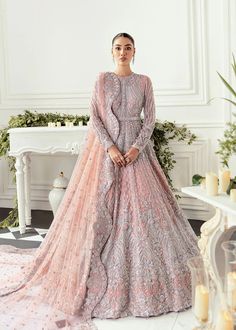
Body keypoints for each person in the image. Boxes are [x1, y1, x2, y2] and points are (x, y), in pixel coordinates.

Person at [0, 32, 200, 329]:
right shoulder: (102, 80)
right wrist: (109, 147)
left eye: (128, 48)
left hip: (136, 152)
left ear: (135, 52)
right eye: (118, 48)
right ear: (111, 52)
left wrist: (134, 149)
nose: (123, 52)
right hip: (105, 152)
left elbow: (150, 118)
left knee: (145, 212)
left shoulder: (144, 81)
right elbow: (95, 115)